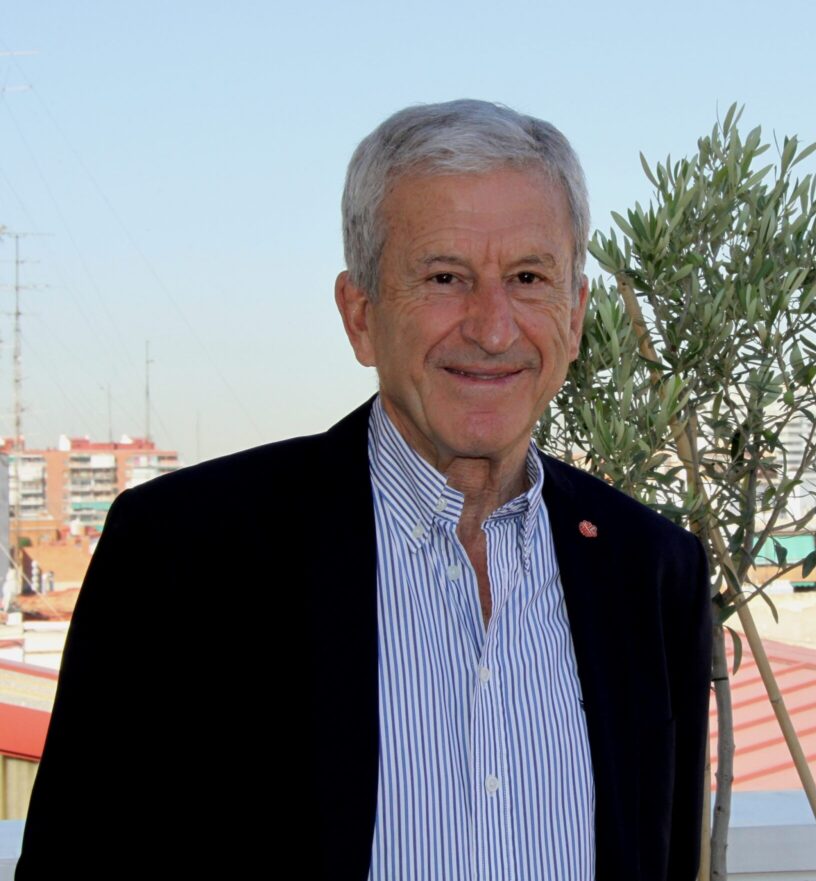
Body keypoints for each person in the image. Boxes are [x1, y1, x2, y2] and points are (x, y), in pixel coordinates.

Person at [17, 100, 711, 880]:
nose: (492, 327)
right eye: (445, 277)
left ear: (575, 314)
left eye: (528, 277)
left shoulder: (652, 572)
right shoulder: (185, 555)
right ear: (360, 315)